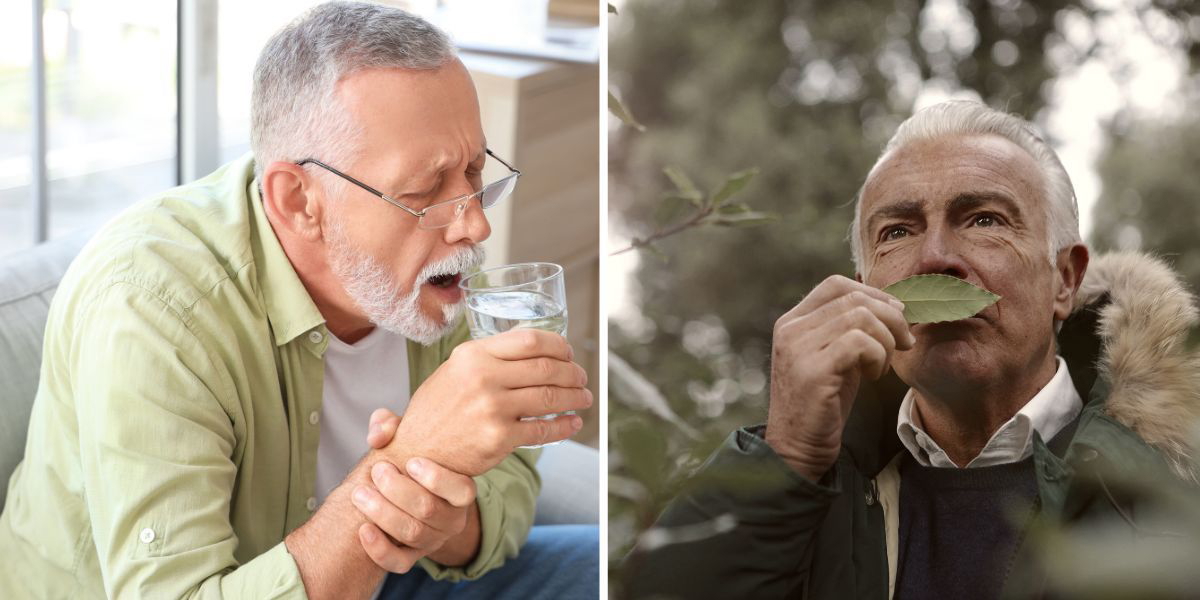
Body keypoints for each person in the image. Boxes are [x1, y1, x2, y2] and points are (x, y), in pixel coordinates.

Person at [0, 3, 597, 598]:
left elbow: (511, 477)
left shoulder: (436, 254)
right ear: (299, 201)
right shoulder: (152, 307)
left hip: (380, 574)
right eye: (423, 190)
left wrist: (445, 525)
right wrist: (411, 460)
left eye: (472, 171)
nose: (474, 225)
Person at [626, 100, 1200, 599]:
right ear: (865, 284)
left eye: (983, 219)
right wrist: (787, 460)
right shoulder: (815, 482)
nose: (934, 259)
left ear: (1065, 281)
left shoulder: (1172, 484)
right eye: (897, 232)